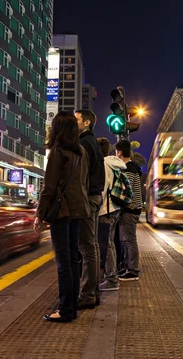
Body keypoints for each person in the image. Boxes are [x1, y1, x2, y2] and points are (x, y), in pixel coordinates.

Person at [34, 112, 90, 323]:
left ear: (58, 129)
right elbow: (83, 183)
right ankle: (71, 306)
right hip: (78, 209)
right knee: (73, 260)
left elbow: (49, 187)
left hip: (62, 211)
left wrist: (39, 214)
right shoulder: (81, 151)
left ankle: (66, 310)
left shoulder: (58, 151)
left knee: (63, 261)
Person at [74, 109, 105, 309]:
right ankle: (92, 291)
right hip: (94, 196)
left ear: (86, 123)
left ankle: (87, 294)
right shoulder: (92, 142)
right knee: (91, 245)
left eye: (76, 119)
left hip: (87, 197)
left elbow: (81, 176)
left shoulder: (84, 143)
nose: (73, 123)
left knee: (87, 246)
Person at [97, 137, 127, 292]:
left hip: (105, 210)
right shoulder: (114, 164)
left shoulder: (103, 164)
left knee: (106, 245)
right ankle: (111, 276)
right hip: (115, 208)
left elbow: (102, 189)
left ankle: (111, 279)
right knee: (110, 244)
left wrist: (95, 207)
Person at [115, 140, 143, 282]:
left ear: (119, 152)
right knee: (126, 240)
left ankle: (133, 270)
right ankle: (127, 267)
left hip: (130, 210)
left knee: (129, 240)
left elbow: (126, 192)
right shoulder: (133, 168)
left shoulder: (128, 169)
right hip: (132, 210)